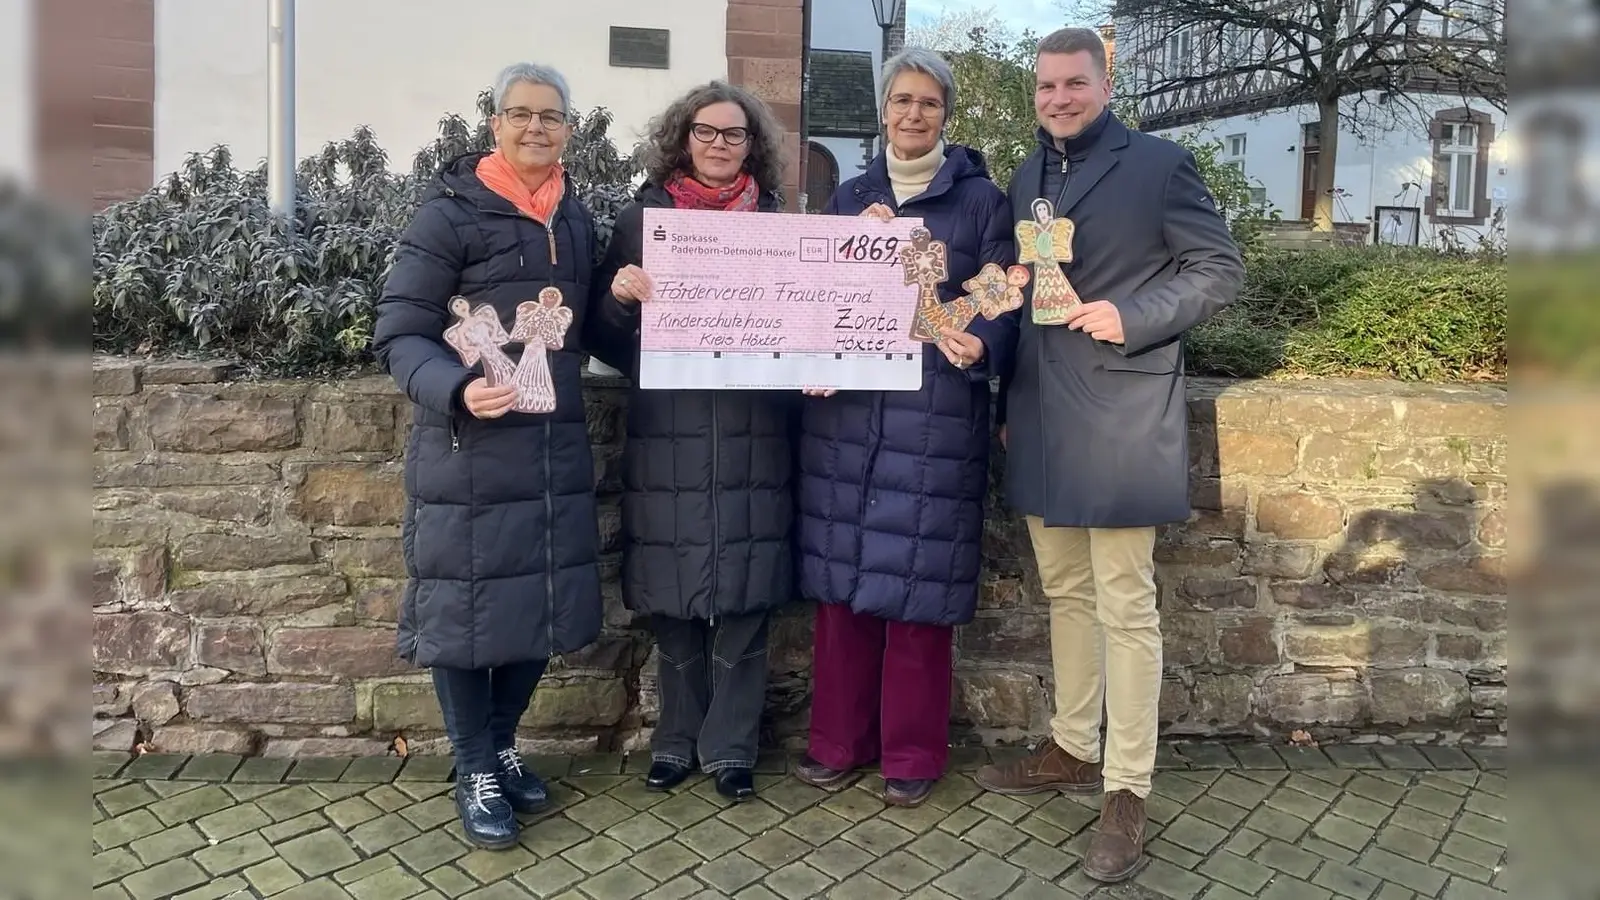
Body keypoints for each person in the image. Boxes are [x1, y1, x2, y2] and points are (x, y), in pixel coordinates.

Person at [973, 28, 1244, 883]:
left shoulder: (1161, 164)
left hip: (1123, 410)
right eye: (1047, 86)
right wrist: (955, 328)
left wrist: (1134, 315)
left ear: (1104, 81)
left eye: (1074, 84)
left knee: (1126, 608)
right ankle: (1072, 745)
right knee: (1065, 592)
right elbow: (1017, 286)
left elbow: (1218, 270)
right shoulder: (1025, 175)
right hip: (1042, 417)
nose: (1059, 98)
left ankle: (1127, 790)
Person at [371, 62, 603, 850]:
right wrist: (454, 388)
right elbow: (400, 331)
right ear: (494, 123)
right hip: (469, 450)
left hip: (551, 447)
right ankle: (474, 766)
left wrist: (640, 308)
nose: (536, 127)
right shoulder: (447, 216)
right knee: (466, 617)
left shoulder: (574, 219)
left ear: (571, 127)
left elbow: (591, 326)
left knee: (539, 608)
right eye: (520, 114)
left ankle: (503, 744)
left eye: (551, 116)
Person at [792, 48, 1018, 809]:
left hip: (937, 413)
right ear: (882, 111)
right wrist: (857, 242)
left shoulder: (981, 200)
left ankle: (913, 755)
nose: (913, 113)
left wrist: (974, 331)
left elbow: (1000, 283)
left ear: (946, 113)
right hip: (848, 414)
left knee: (921, 591)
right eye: (901, 101)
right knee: (843, 584)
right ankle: (835, 743)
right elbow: (815, 290)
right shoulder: (849, 194)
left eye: (928, 102)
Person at [583, 82, 793, 803]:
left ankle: (731, 747)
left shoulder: (776, 222)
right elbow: (600, 335)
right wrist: (618, 297)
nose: (718, 144)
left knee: (743, 597)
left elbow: (805, 324)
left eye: (733, 135)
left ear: (751, 145)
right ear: (683, 137)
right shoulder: (643, 219)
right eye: (706, 132)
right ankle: (675, 741)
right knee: (673, 601)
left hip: (754, 433)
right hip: (667, 431)